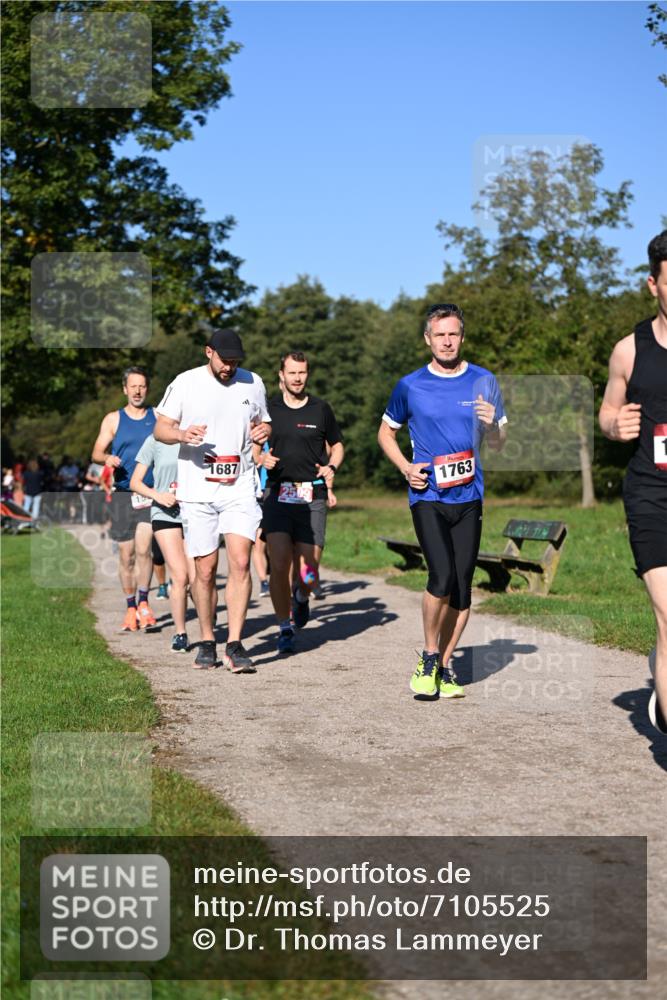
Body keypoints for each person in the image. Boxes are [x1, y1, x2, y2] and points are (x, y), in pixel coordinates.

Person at [378, 303, 507, 699]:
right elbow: (385, 433)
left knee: (464, 586)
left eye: (453, 334)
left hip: (469, 496)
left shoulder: (484, 381)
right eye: (440, 335)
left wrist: (491, 427)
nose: (447, 341)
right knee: (442, 576)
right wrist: (405, 467)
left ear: (462, 337)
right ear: (428, 339)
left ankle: (446, 665)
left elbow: (500, 444)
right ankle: (429, 655)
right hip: (428, 494)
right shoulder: (410, 385)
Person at [154, 328, 271, 671]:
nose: (229, 368)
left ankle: (234, 644)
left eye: (235, 362)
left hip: (239, 486)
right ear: (208, 352)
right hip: (198, 490)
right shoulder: (185, 383)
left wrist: (265, 431)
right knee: (204, 571)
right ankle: (207, 639)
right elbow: (160, 428)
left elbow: (261, 423)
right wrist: (180, 434)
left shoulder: (254, 382)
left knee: (239, 561)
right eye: (224, 360)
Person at [599, 230, 667, 736]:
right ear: (653, 284)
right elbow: (607, 412)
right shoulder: (629, 349)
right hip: (652, 495)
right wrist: (614, 425)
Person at [256, 350, 344, 655]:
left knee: (310, 570)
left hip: (313, 495)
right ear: (281, 375)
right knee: (279, 563)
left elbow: (338, 446)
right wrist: (260, 458)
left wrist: (332, 467)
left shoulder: (321, 410)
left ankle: (302, 598)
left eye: (302, 373)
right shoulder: (267, 410)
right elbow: (252, 447)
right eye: (291, 373)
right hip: (278, 494)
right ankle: (284, 627)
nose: (297, 378)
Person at [91, 366, 157, 631]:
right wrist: (106, 458)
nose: (138, 391)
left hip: (148, 492)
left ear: (147, 389)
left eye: (142, 386)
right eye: (133, 386)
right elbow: (96, 452)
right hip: (122, 494)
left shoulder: (157, 417)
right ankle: (130, 607)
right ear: (125, 389)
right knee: (126, 555)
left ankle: (144, 603)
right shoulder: (113, 420)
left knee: (144, 549)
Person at [130, 434, 203, 654]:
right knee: (180, 575)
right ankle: (180, 633)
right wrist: (158, 496)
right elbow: (135, 482)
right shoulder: (154, 440)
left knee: (198, 576)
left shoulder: (200, 437)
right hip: (165, 512)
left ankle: (206, 624)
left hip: (196, 512)